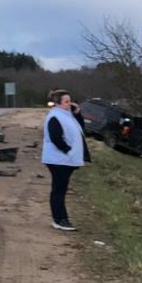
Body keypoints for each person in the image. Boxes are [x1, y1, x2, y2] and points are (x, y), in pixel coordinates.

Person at [42, 90, 91, 232]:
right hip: (58, 160)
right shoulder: (55, 116)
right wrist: (67, 149)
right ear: (58, 103)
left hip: (65, 159)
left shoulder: (67, 115)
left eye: (70, 101)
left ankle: (63, 218)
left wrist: (78, 113)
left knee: (61, 190)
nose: (70, 104)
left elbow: (81, 129)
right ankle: (59, 220)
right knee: (58, 190)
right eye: (66, 101)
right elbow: (55, 137)